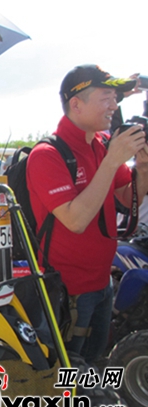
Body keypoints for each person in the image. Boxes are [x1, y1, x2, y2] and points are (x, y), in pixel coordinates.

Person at [27, 64, 148, 363]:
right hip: (68, 291)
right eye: (106, 98)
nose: (114, 106)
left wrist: (143, 168)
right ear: (76, 104)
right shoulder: (47, 155)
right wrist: (113, 160)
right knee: (67, 372)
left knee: (94, 365)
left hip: (102, 282)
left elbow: (127, 196)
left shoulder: (101, 145)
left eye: (115, 98)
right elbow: (75, 220)